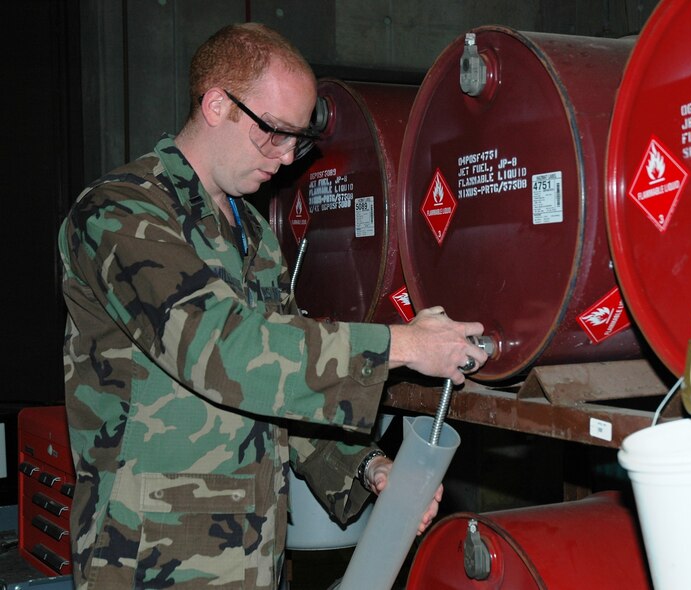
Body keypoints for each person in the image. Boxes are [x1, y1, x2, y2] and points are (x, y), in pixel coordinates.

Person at [58, 22, 488, 590]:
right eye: (274, 133)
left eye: (298, 140)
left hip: (254, 554)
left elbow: (282, 385)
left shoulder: (253, 235)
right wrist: (403, 345)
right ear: (217, 105)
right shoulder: (119, 215)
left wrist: (365, 467)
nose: (287, 158)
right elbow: (224, 348)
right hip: (150, 558)